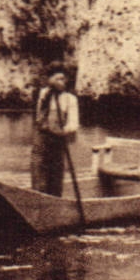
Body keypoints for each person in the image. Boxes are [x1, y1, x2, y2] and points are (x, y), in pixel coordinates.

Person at [30, 67, 79, 196]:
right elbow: (39, 118)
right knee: (38, 177)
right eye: (58, 79)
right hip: (40, 143)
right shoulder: (43, 94)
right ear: (50, 79)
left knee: (55, 179)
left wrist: (62, 131)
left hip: (57, 142)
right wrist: (45, 127)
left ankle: (54, 205)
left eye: (63, 79)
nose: (61, 82)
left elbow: (73, 124)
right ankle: (37, 200)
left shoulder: (70, 99)